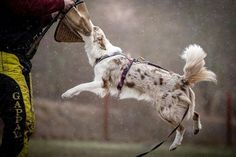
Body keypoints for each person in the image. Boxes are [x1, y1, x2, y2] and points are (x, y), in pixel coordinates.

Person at [0, 0, 76, 156]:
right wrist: (60, 3)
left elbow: (26, 18)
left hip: (17, 61)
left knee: (24, 124)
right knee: (20, 124)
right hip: (6, 60)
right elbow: (24, 5)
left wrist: (52, 14)